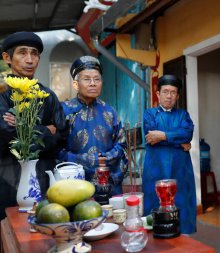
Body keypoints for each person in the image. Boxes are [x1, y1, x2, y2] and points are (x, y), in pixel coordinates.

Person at [0, 31, 67, 219]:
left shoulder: (47, 95)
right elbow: (6, 132)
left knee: (43, 230)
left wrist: (21, 127)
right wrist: (46, 130)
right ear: (7, 58)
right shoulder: (2, 94)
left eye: (34, 53)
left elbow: (61, 135)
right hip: (5, 178)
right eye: (22, 53)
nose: (29, 60)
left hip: (43, 178)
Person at [58, 56, 127, 195]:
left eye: (97, 79)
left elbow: (121, 145)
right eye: (87, 79)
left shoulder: (110, 111)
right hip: (74, 184)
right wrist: (89, 160)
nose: (93, 83)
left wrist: (104, 159)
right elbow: (56, 149)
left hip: (107, 182)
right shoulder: (63, 110)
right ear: (76, 84)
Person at [142, 74, 196, 234]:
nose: (169, 96)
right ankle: (152, 238)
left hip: (180, 169)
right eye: (165, 91)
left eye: (173, 92)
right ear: (158, 94)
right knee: (153, 203)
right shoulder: (149, 114)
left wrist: (163, 136)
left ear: (178, 96)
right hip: (155, 168)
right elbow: (151, 136)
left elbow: (188, 133)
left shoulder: (183, 115)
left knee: (182, 202)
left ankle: (183, 240)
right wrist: (178, 141)